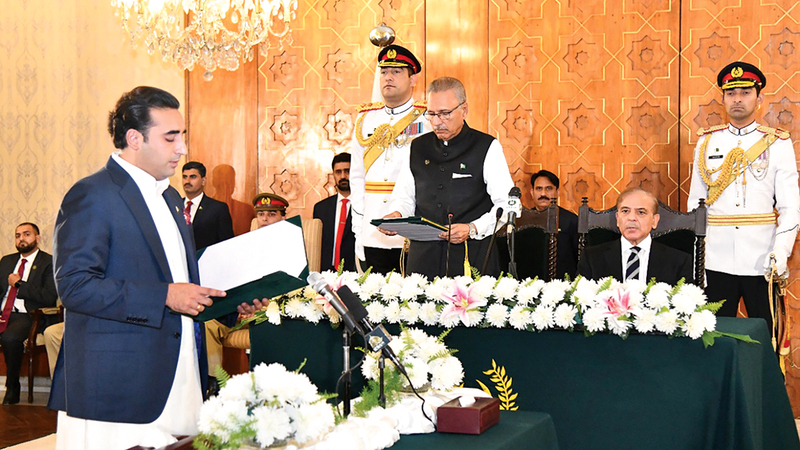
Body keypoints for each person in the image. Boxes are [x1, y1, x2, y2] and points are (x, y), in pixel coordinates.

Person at [48, 86, 255, 450]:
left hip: (180, 373)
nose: (182, 148)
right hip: (117, 387)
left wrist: (232, 300)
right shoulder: (93, 194)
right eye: (170, 137)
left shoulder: (171, 197)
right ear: (134, 139)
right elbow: (75, 286)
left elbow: (180, 278)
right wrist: (165, 296)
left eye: (182, 136)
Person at [687, 61, 800, 331]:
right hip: (715, 258)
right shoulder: (706, 142)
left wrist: (781, 252)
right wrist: (697, 258)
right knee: (712, 337)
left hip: (762, 259)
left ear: (759, 99)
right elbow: (695, 206)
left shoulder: (778, 143)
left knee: (766, 335)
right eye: (731, 93)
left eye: (745, 92)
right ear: (723, 99)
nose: (737, 99)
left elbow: (790, 207)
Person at [385, 77, 514, 278]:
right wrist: (397, 215)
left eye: (445, 113)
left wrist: (472, 228)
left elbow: (509, 205)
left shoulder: (487, 147)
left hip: (471, 257)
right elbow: (404, 197)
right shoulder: (417, 147)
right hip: (422, 259)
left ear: (464, 110)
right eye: (432, 114)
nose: (437, 122)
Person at [350, 44, 431, 274]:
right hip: (372, 227)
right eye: (384, 71)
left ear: (413, 79)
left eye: (396, 71)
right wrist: (358, 228)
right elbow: (357, 177)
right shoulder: (365, 120)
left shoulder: (428, 119)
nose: (388, 77)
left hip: (411, 229)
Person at [577, 187, 693, 285]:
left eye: (641, 212)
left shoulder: (679, 261)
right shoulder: (592, 258)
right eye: (625, 211)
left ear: (654, 220)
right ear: (617, 219)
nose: (631, 218)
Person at [0, 222, 58, 404]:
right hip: (3, 312)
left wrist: (19, 284)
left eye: (26, 234)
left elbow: (48, 297)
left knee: (10, 338)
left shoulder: (48, 263)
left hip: (28, 315)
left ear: (37, 238)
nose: (21, 239)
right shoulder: (7, 261)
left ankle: (12, 386)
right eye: (18, 235)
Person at [528, 170, 579, 279]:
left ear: (557, 192)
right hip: (530, 283)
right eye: (539, 189)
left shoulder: (571, 220)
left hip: (563, 283)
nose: (543, 194)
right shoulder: (524, 219)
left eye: (548, 189)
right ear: (532, 192)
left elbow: (579, 257)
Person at [313, 153, 356, 272]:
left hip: (354, 272)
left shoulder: (364, 206)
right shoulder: (321, 208)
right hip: (326, 272)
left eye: (347, 171)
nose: (343, 176)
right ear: (333, 175)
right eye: (338, 172)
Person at [182, 161, 235, 250]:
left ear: (203, 181)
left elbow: (226, 244)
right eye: (184, 177)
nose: (187, 181)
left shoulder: (218, 209)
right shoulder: (174, 205)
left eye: (193, 177)